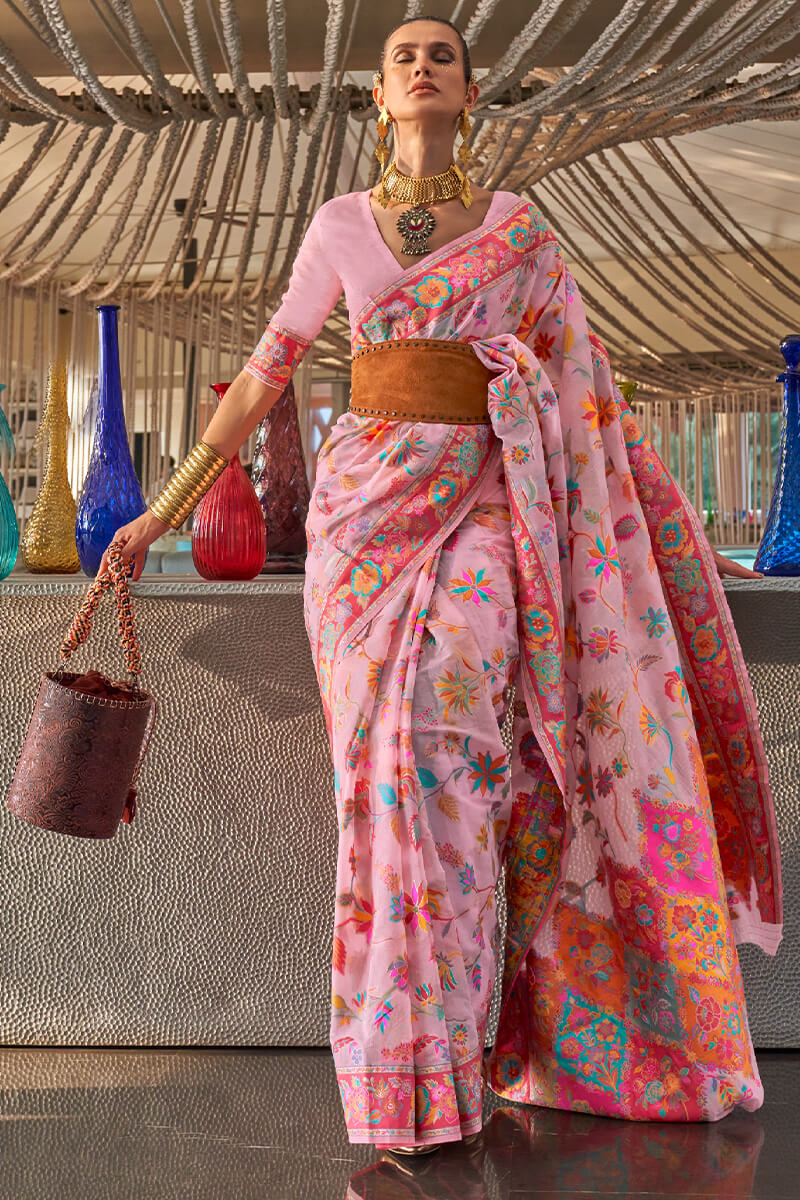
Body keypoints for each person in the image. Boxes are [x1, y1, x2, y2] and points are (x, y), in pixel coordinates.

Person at [101, 14, 782, 1160]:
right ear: (378, 96)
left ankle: (462, 1058)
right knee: (379, 778)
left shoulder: (519, 234)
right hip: (362, 524)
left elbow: (590, 394)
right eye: (403, 56)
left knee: (450, 763)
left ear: (468, 95)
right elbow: (269, 368)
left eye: (442, 57)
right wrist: (156, 515)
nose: (422, 65)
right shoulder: (336, 226)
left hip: (483, 508)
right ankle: (400, 1080)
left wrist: (654, 527)